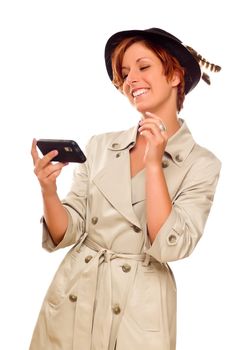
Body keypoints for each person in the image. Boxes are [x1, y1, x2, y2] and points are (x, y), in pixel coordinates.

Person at [30, 27, 221, 350]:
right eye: (124, 72)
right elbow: (69, 231)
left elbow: (171, 246)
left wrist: (153, 164)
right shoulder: (100, 145)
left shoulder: (201, 163)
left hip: (139, 306)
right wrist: (48, 190)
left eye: (143, 67)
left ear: (175, 74)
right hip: (77, 292)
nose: (131, 79)